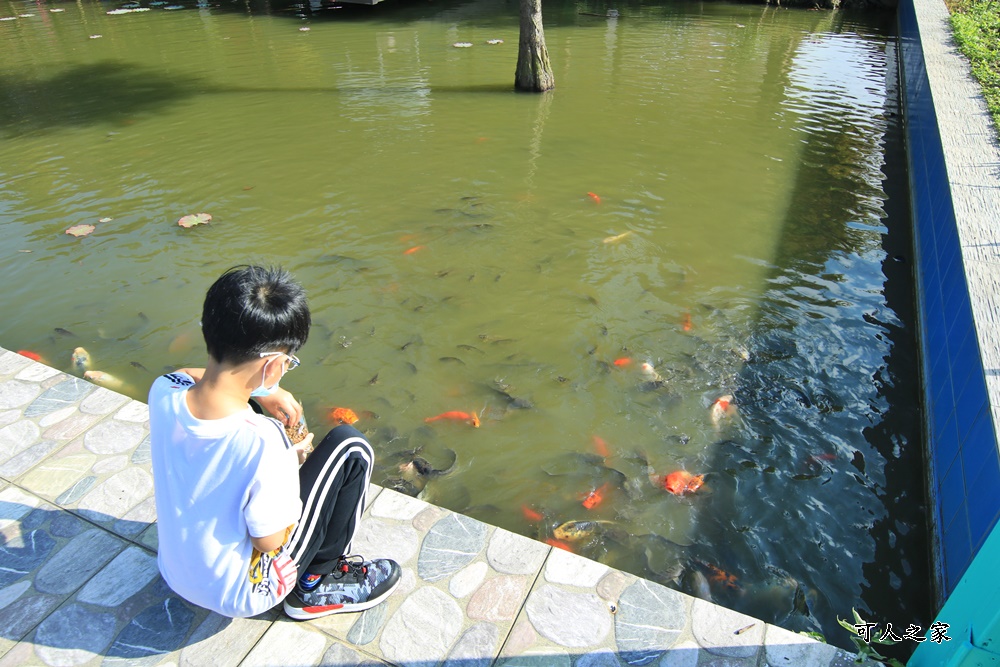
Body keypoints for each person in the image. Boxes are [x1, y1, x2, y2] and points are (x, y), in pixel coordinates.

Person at [148, 265, 400, 620]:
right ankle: (316, 584)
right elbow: (268, 542)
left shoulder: (163, 391)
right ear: (271, 364)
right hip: (242, 590)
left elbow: (188, 375)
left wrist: (266, 390)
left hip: (178, 573)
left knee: (240, 402)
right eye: (288, 362)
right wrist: (288, 466)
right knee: (351, 447)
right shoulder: (264, 440)